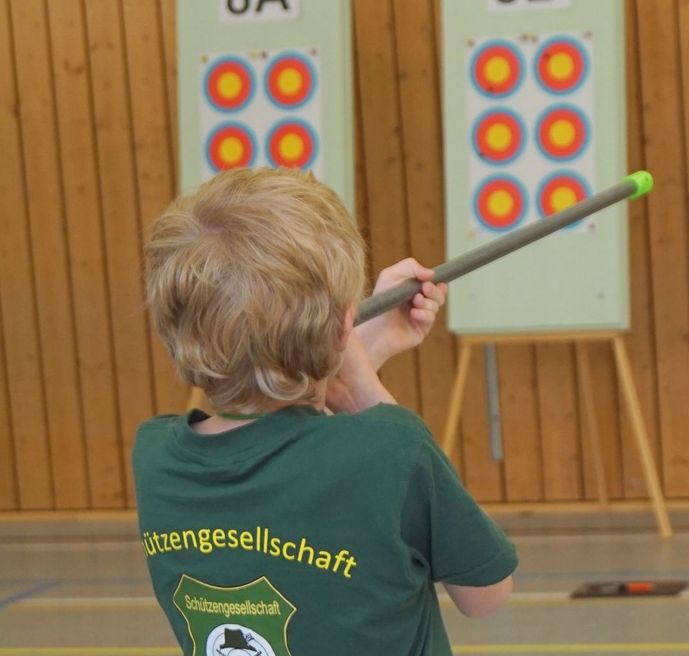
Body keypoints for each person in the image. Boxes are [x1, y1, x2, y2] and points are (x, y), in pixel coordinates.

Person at [134, 167, 515, 655]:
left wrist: (354, 352)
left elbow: (294, 464)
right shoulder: (391, 446)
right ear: (343, 325)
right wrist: (360, 381)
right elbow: (485, 594)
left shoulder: (156, 456)